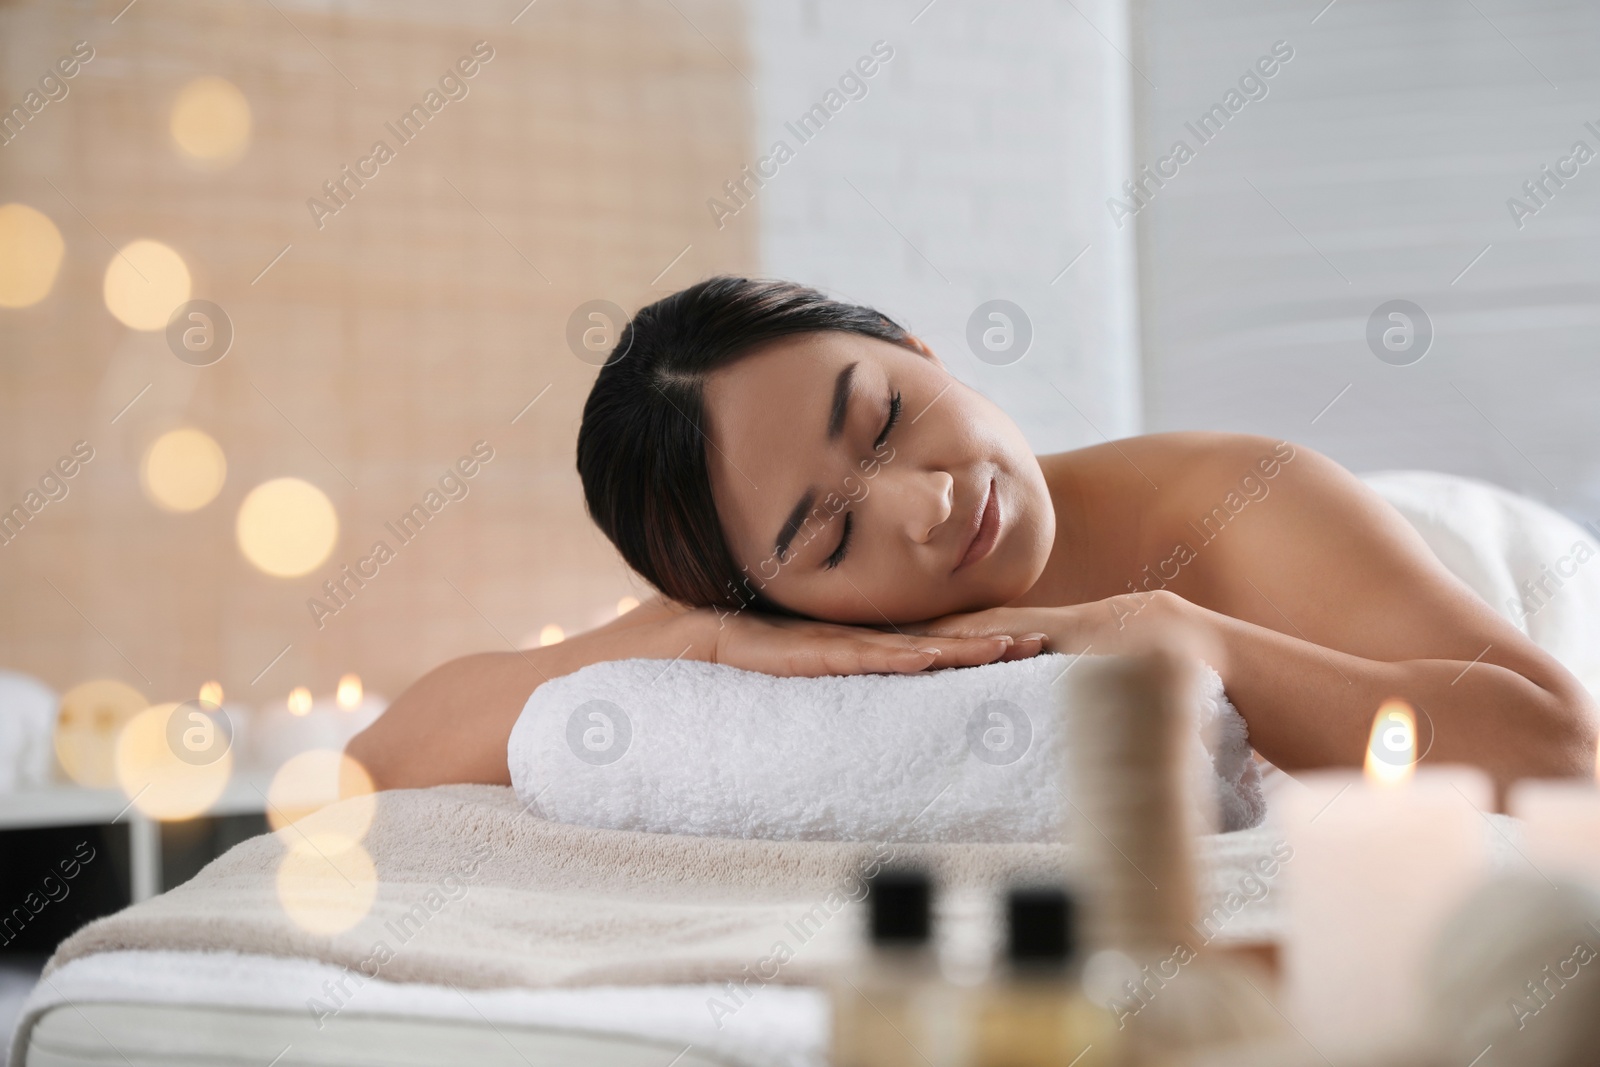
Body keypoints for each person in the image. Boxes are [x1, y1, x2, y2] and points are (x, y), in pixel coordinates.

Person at [350, 277, 1597, 794]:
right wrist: (694, 637)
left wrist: (1163, 631)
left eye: (883, 416)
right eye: (828, 539)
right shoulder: (759, 632)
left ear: (915, 349)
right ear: (779, 604)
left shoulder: (1239, 497)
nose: (925, 500)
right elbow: (370, 767)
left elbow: (1556, 745)